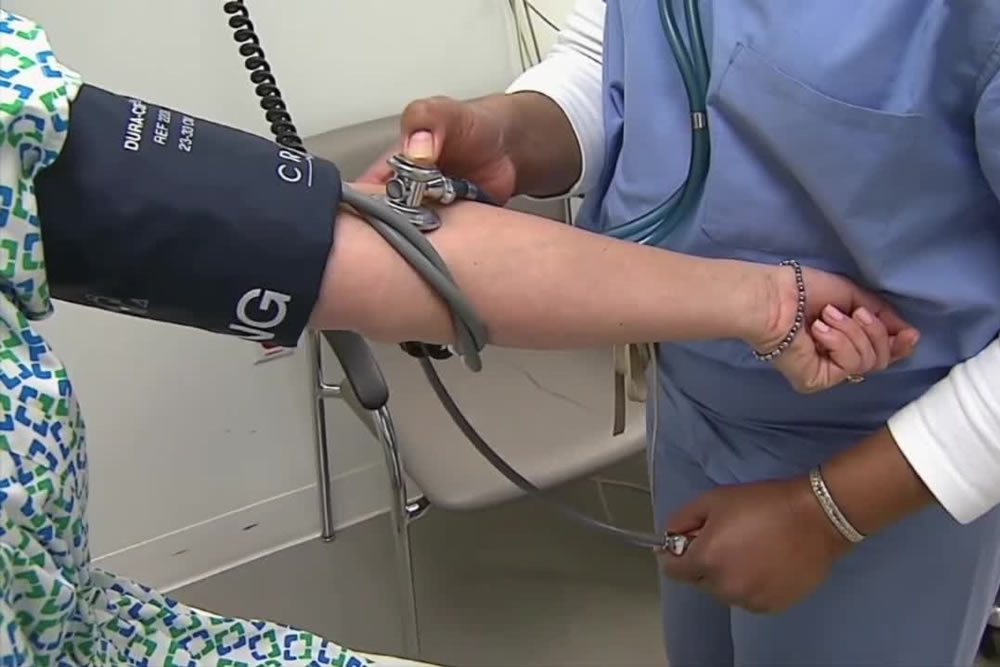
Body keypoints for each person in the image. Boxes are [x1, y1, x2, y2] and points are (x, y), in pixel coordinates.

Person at [0, 9, 917, 667]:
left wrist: (771, 310)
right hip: (711, 389)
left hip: (882, 414)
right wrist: (767, 302)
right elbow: (627, 53)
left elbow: (381, 257)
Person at [363, 0, 1000, 665]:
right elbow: (628, 55)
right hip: (689, 400)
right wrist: (516, 131)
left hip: (894, 457)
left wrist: (829, 513)